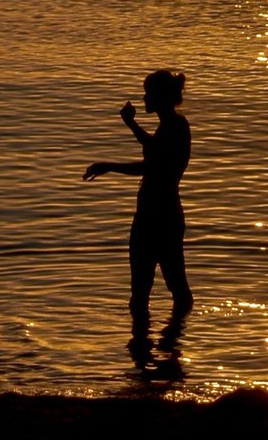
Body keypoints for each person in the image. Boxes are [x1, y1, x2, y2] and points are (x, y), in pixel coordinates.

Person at [84, 69, 194, 342]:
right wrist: (131, 125)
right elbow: (155, 149)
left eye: (148, 93)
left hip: (161, 217)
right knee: (142, 292)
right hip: (151, 216)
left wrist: (108, 166)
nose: (144, 97)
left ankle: (171, 344)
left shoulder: (177, 126)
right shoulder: (170, 126)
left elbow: (152, 165)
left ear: (158, 97)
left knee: (174, 287)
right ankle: (154, 353)